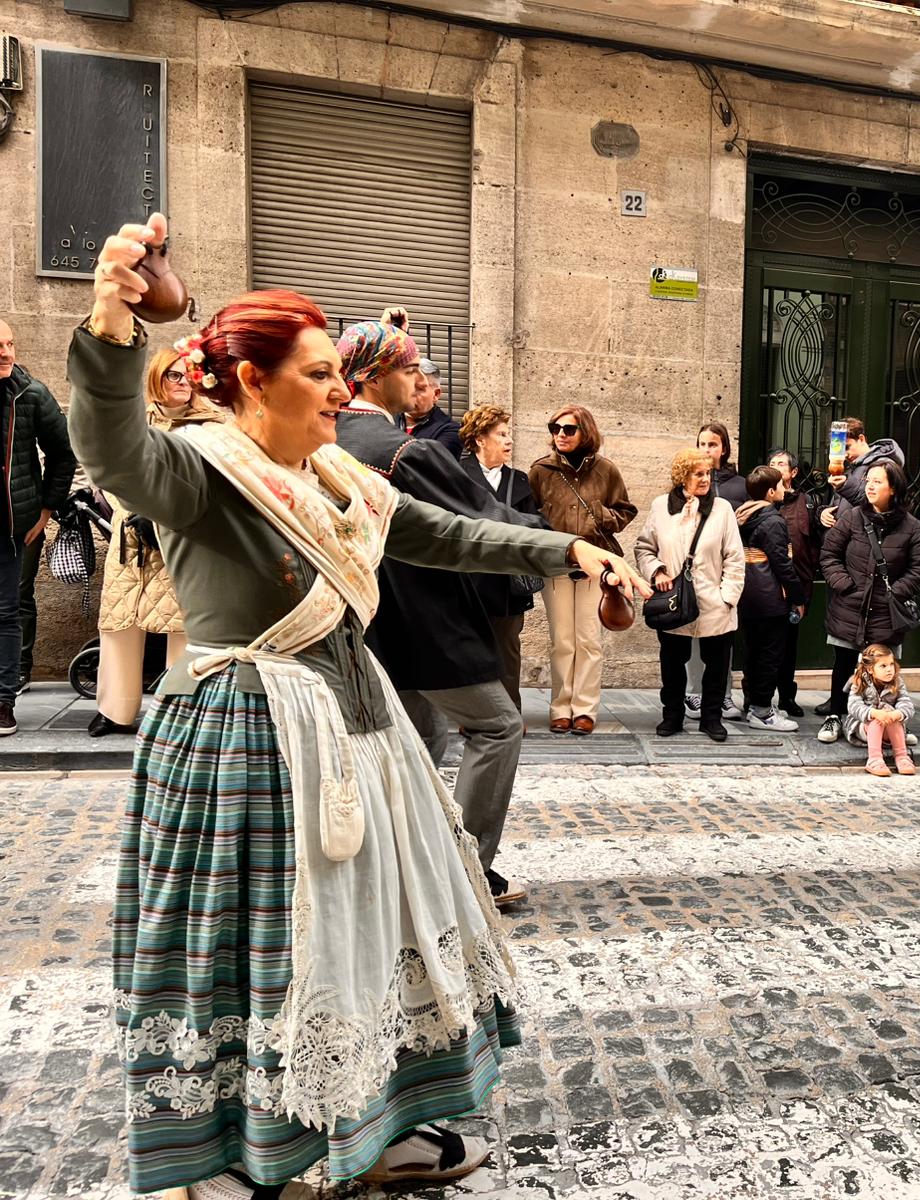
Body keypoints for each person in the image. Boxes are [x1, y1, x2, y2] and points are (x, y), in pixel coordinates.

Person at [75, 214, 649, 1198]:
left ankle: (368, 1128)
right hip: (247, 744)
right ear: (251, 383)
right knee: (268, 954)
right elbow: (115, 445)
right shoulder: (201, 470)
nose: (340, 388)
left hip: (357, 732)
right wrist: (114, 319)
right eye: (313, 373)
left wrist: (568, 550)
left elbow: (448, 534)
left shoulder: (337, 475)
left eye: (335, 369)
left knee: (369, 937)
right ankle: (259, 1155)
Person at [335, 312, 546, 906]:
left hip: (361, 620)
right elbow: (482, 518)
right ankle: (465, 869)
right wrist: (568, 547)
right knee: (498, 726)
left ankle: (403, 862)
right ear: (375, 377)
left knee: (415, 740)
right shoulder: (399, 451)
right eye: (410, 367)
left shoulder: (328, 439)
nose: (423, 378)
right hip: (421, 618)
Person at [87, 343, 225, 737]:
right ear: (156, 378)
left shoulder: (211, 427)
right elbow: (108, 468)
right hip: (130, 536)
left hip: (183, 538)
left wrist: (165, 513)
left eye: (189, 376)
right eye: (173, 375)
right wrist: (128, 510)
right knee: (119, 622)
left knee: (184, 625)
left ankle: (180, 711)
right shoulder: (135, 420)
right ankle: (115, 709)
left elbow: (210, 481)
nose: (183, 383)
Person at [527, 405, 637, 734]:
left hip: (596, 567)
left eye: (569, 429)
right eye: (555, 427)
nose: (560, 434)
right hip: (556, 563)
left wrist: (601, 516)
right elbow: (527, 515)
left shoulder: (606, 470)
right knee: (562, 640)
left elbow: (626, 510)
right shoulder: (540, 471)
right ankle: (561, 707)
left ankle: (585, 708)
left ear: (585, 432)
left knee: (589, 640)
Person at [817, 460, 920, 744]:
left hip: (885, 611)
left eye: (878, 481)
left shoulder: (911, 526)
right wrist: (844, 584)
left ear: (893, 488)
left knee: (884, 670)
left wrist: (896, 592)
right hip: (850, 606)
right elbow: (829, 554)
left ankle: (890, 722)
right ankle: (835, 715)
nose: (870, 485)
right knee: (843, 663)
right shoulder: (853, 517)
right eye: (869, 480)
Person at [635, 448, 745, 742]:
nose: (705, 479)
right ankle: (672, 715)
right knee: (672, 661)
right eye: (698, 473)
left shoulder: (722, 509)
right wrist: (657, 572)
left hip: (714, 600)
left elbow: (735, 557)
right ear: (682, 476)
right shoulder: (661, 506)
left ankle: (711, 718)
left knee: (717, 664)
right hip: (674, 598)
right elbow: (644, 547)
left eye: (707, 473)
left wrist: (727, 597)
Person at [0, 318, 75, 723]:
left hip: (15, 525)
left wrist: (45, 511)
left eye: (10, 344)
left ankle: (3, 700)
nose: (6, 353)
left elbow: (64, 454)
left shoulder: (31, 394)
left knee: (7, 610)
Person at [459, 403, 543, 706]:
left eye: (510, 434)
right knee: (471, 649)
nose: (509, 441)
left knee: (507, 650)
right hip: (469, 580)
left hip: (508, 583)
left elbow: (533, 525)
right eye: (502, 434)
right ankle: (476, 714)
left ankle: (509, 710)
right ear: (481, 438)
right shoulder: (457, 475)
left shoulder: (519, 480)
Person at [685, 421, 746, 723]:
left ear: (724, 448)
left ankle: (723, 695)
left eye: (712, 444)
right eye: (702, 444)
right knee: (695, 633)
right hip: (697, 570)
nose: (707, 450)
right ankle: (694, 692)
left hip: (726, 571)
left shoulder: (739, 485)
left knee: (724, 637)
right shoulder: (687, 482)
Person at [736, 465, 804, 732]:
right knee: (770, 654)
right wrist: (798, 597)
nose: (786, 489)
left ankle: (754, 702)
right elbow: (783, 565)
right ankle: (762, 711)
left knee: (754, 652)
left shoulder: (742, 515)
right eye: (781, 485)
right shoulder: (773, 521)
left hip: (748, 595)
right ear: (770, 491)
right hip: (770, 597)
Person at [768, 447, 820, 719]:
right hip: (766, 585)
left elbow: (814, 543)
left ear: (793, 472)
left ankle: (787, 697)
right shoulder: (761, 500)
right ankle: (757, 697)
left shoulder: (807, 503)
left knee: (789, 646)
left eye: (781, 464)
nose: (776, 467)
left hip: (797, 585)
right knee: (765, 645)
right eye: (772, 463)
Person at [819, 416, 905, 529]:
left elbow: (877, 503)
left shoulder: (883, 463)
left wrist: (844, 486)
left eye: (847, 447)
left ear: (861, 439)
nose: (845, 454)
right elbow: (839, 504)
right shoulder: (851, 466)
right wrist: (824, 512)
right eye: (841, 449)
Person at [846, 643, 916, 777]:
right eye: (883, 666)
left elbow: (907, 704)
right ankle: (874, 759)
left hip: (889, 728)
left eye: (891, 664)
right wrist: (873, 713)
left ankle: (902, 757)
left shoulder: (897, 681)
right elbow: (853, 705)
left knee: (893, 717)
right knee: (877, 720)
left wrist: (898, 713)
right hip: (864, 729)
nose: (889, 669)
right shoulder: (859, 681)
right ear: (870, 669)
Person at [404, 355, 463, 458]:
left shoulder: (450, 431)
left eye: (419, 388)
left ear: (436, 394)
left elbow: (427, 465)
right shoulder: (387, 419)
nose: (411, 393)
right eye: (407, 386)